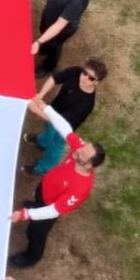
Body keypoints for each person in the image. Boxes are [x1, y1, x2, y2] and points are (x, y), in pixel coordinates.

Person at [8, 93, 104, 269]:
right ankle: (34, 206)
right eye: (83, 147)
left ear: (89, 165)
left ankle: (31, 256)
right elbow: (65, 128)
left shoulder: (80, 189)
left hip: (50, 204)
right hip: (44, 189)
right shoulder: (79, 151)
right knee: (36, 203)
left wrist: (25, 215)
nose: (77, 150)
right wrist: (46, 108)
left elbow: (53, 210)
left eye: (82, 153)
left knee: (36, 232)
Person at [27, 59, 107, 175]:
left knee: (55, 148)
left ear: (96, 82)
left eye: (91, 78)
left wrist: (36, 109)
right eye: (84, 73)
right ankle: (42, 142)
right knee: (49, 130)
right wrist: (40, 95)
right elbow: (54, 78)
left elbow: (59, 122)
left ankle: (42, 168)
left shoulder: (86, 104)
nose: (84, 78)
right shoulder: (76, 72)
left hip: (64, 127)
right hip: (53, 110)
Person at [29, 0, 91, 75]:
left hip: (62, 28)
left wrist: (38, 41)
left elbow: (59, 25)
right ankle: (43, 47)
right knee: (44, 31)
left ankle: (48, 67)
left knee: (54, 46)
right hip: (50, 13)